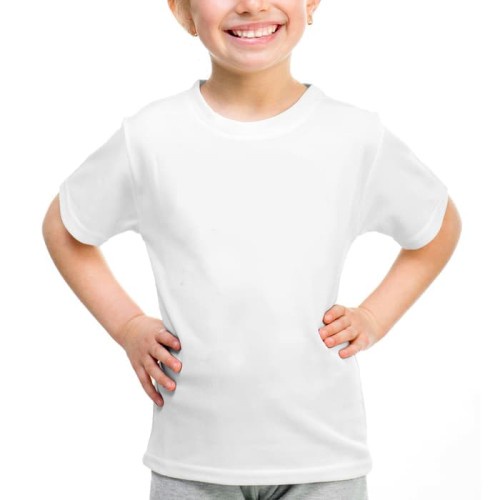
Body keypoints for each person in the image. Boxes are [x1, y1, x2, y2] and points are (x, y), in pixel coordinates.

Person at [42, 0, 462, 499]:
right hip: (191, 461)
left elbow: (439, 225)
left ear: (311, 2)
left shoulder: (354, 136)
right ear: (182, 10)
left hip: (324, 459)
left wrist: (373, 317)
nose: (252, 4)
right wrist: (128, 325)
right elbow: (65, 228)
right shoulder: (151, 136)